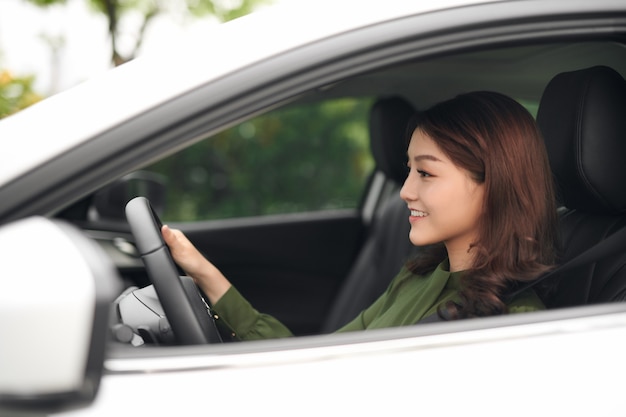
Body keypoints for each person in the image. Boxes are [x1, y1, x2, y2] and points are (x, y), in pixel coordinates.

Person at [161, 90, 559, 340]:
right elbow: (321, 361)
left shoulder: (514, 326)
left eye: (425, 172)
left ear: (493, 186)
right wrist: (204, 273)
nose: (405, 191)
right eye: (408, 171)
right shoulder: (416, 277)